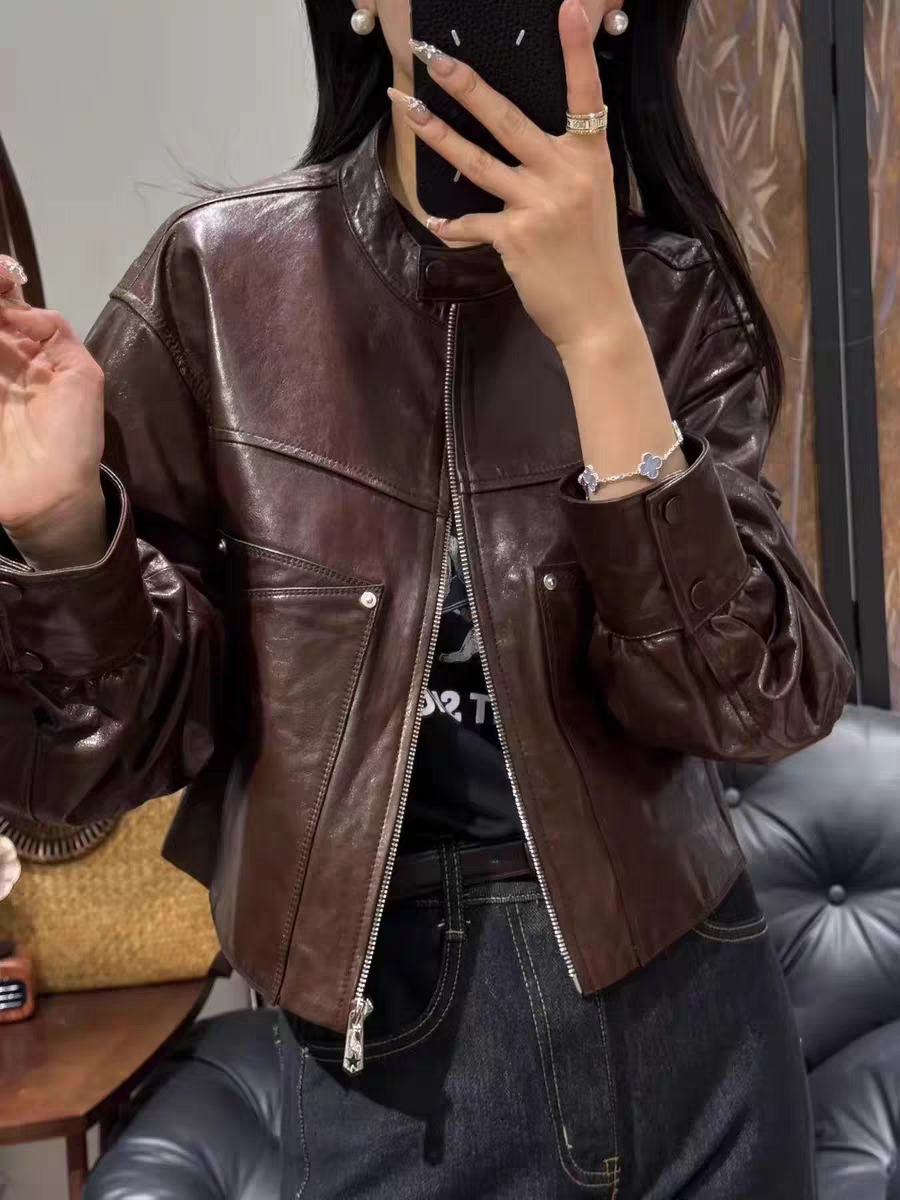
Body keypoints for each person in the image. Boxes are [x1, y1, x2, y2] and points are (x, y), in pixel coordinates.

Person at [0, 0, 854, 1195]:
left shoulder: (667, 295)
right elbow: (82, 773)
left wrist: (601, 335)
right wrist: (61, 530)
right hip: (389, 1048)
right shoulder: (218, 285)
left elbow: (757, 701)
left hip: (693, 1016)